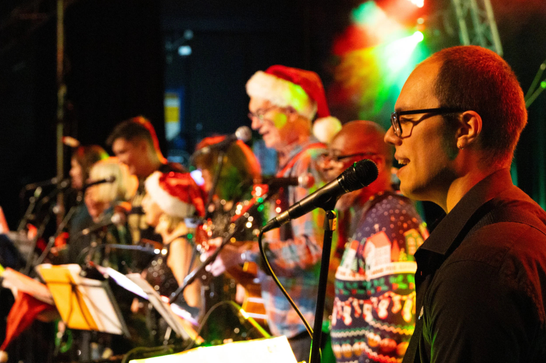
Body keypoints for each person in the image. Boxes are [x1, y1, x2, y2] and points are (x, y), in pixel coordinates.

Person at [383, 45, 546, 362]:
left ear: (464, 129)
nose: (391, 135)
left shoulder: (478, 270)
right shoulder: (516, 227)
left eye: (404, 119)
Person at [209, 65, 336, 361]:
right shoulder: (291, 165)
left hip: (307, 325)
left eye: (261, 113)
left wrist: (243, 253)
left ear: (291, 110)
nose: (254, 124)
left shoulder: (310, 162)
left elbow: (313, 249)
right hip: (292, 324)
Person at [319, 121, 428, 363]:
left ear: (374, 165)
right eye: (327, 158)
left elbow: (394, 328)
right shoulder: (371, 215)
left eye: (337, 158)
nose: (328, 169)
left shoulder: (389, 220)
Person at [106, 116, 185, 265]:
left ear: (143, 147)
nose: (120, 160)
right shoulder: (142, 183)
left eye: (122, 152)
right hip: (145, 276)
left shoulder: (171, 180)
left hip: (167, 276)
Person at [140, 171, 206, 339]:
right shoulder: (174, 243)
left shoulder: (180, 245)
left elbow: (195, 307)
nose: (143, 203)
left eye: (149, 197)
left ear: (166, 205)